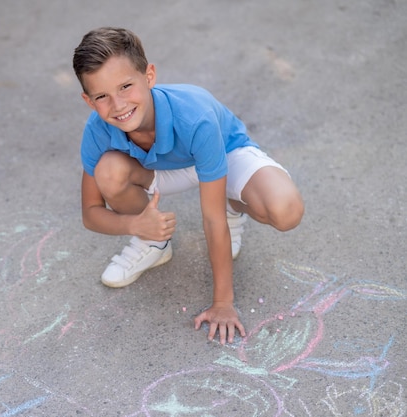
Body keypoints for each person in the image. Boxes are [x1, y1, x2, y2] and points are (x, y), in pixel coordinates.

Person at [72, 27, 304, 344]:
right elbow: (90, 212)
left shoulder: (194, 116)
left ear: (149, 75)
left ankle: (232, 204)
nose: (117, 104)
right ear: (88, 100)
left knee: (286, 210)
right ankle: (152, 243)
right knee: (109, 170)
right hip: (162, 168)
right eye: (102, 96)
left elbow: (210, 219)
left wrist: (223, 303)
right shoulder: (97, 130)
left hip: (223, 154)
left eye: (126, 86)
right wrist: (135, 223)